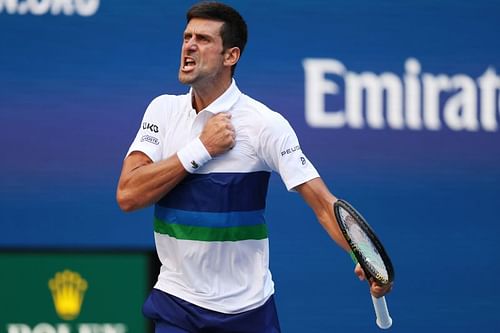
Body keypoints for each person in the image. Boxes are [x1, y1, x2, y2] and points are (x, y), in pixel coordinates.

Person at [116, 2, 392, 332]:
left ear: (230, 56)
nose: (189, 45)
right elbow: (128, 195)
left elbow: (322, 202)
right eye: (186, 36)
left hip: (248, 310)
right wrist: (200, 149)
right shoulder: (162, 111)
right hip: (177, 305)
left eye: (203, 39)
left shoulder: (265, 124)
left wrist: (360, 256)